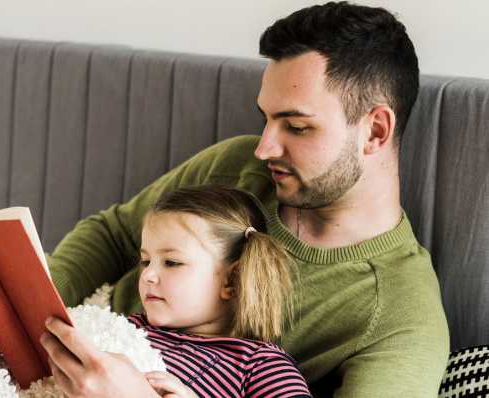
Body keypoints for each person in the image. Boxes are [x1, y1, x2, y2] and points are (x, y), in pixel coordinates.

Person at [41, 2, 450, 397]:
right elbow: (111, 234)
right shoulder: (237, 165)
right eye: (266, 119)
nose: (265, 148)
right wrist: (38, 317)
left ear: (375, 131)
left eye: (295, 126)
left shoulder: (401, 314)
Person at [127, 185, 311, 397]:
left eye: (171, 262)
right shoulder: (129, 328)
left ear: (232, 280)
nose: (147, 275)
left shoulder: (259, 366)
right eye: (146, 261)